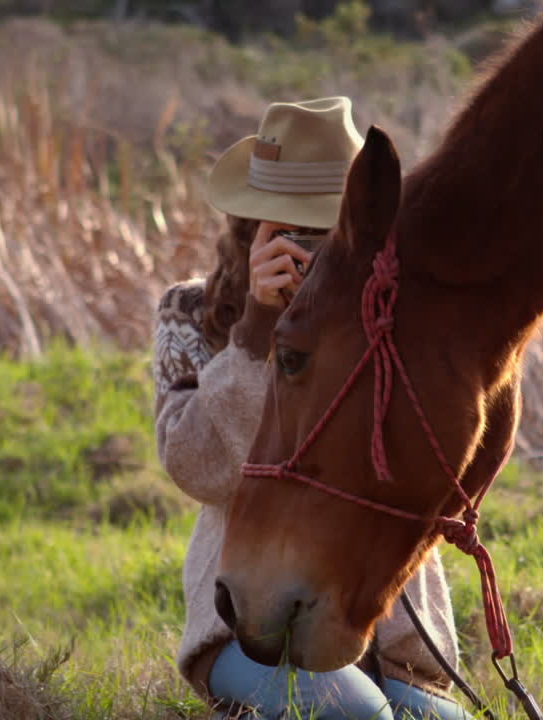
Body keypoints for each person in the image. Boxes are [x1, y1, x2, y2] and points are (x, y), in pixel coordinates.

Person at [153, 97, 468, 720]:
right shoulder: (192, 313)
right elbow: (195, 469)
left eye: (332, 229)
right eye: (299, 229)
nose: (317, 248)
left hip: (391, 635)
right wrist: (255, 333)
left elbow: (434, 470)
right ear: (257, 221)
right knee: (357, 717)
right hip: (255, 625)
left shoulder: (388, 312)